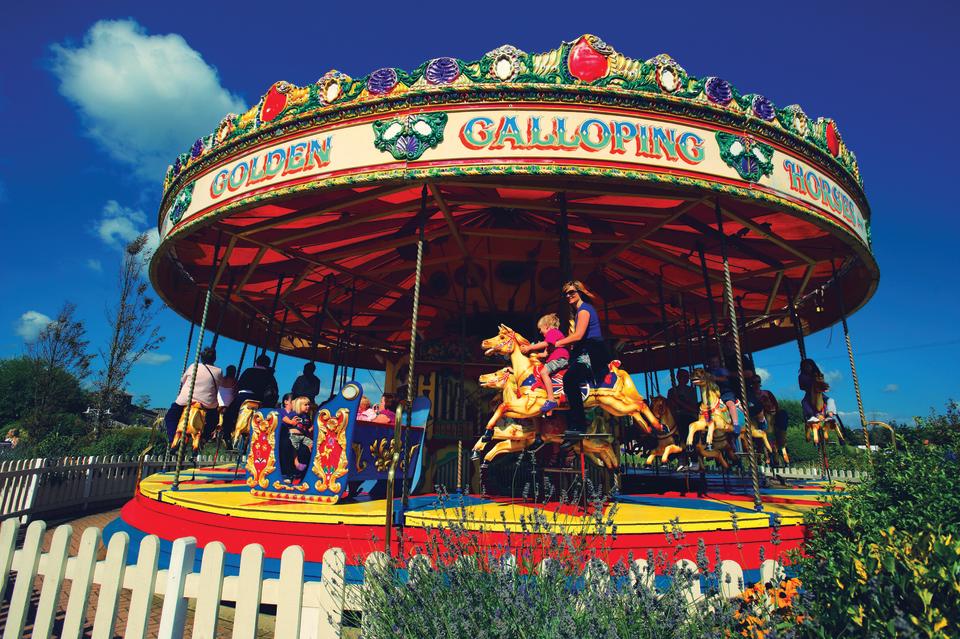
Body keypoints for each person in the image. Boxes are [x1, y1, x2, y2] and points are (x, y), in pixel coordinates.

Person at [553, 280, 611, 446]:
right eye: (566, 294)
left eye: (572, 292)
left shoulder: (584, 310)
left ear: (580, 292)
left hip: (592, 351)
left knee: (569, 379)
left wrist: (558, 343)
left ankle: (579, 425)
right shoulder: (579, 311)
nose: (569, 296)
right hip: (586, 349)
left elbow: (578, 336)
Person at [164, 346, 224, 444]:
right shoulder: (219, 371)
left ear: (201, 358)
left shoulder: (193, 366)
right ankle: (204, 437)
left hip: (186, 401)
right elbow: (220, 385)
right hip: (207, 404)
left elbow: (183, 380)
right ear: (215, 358)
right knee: (214, 420)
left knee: (170, 417)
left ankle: (172, 438)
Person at [520, 313, 570, 414]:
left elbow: (545, 344)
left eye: (541, 329)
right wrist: (535, 355)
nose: (540, 331)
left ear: (546, 327)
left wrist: (530, 347)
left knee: (543, 372)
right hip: (556, 358)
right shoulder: (552, 337)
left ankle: (551, 400)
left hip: (560, 358)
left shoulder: (553, 332)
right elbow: (545, 354)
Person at [223, 354, 280, 441]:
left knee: (229, 414)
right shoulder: (270, 376)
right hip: (260, 400)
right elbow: (273, 392)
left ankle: (227, 435)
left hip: (244, 397)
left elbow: (239, 385)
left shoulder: (248, 371)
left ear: (257, 362)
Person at [283, 396, 314, 484]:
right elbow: (284, 418)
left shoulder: (307, 417)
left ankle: (308, 463)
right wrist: (291, 422)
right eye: (305, 405)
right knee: (294, 448)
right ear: (299, 406)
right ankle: (296, 463)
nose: (308, 406)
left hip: (303, 436)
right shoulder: (294, 414)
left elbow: (309, 427)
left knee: (312, 445)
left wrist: (312, 428)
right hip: (294, 435)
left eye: (308, 405)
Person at [708, 354, 739, 433]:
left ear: (719, 363)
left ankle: (736, 424)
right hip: (714, 394)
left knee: (730, 404)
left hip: (725, 392)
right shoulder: (709, 372)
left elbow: (725, 379)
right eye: (712, 362)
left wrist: (716, 378)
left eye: (716, 362)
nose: (714, 364)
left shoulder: (722, 370)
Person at [667, 369, 699, 444]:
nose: (686, 379)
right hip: (675, 415)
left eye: (687, 377)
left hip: (688, 414)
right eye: (683, 376)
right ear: (678, 377)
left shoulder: (691, 390)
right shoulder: (671, 391)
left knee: (685, 422)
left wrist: (679, 402)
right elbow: (669, 405)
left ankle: (687, 443)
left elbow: (693, 406)